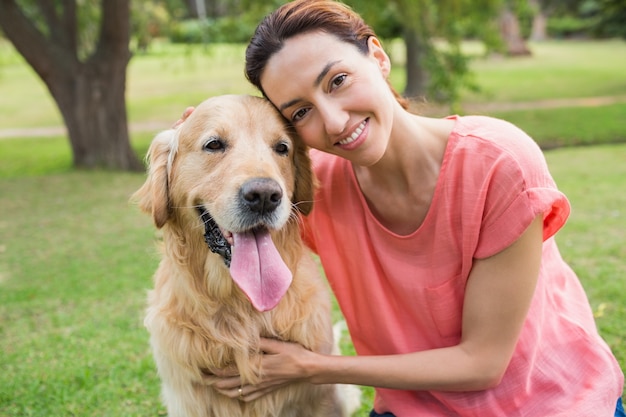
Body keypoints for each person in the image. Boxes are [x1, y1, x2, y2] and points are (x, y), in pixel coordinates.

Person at [177, 0, 625, 415]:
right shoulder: (314, 185)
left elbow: (482, 363)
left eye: (337, 81)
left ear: (378, 57)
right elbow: (225, 194)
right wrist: (198, 144)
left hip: (548, 405)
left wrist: (313, 366)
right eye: (300, 113)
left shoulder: (499, 163)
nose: (334, 121)